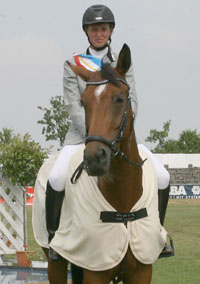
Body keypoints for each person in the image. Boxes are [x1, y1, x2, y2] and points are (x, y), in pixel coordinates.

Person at [45, 4, 172, 261]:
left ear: (110, 30)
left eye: (103, 28)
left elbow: (132, 101)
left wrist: (117, 135)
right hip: (83, 136)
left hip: (119, 136)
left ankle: (159, 232)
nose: (99, 33)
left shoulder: (121, 63)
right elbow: (72, 105)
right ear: (87, 32)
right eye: (94, 29)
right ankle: (54, 237)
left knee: (162, 176)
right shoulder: (74, 64)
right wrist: (95, 133)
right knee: (57, 177)